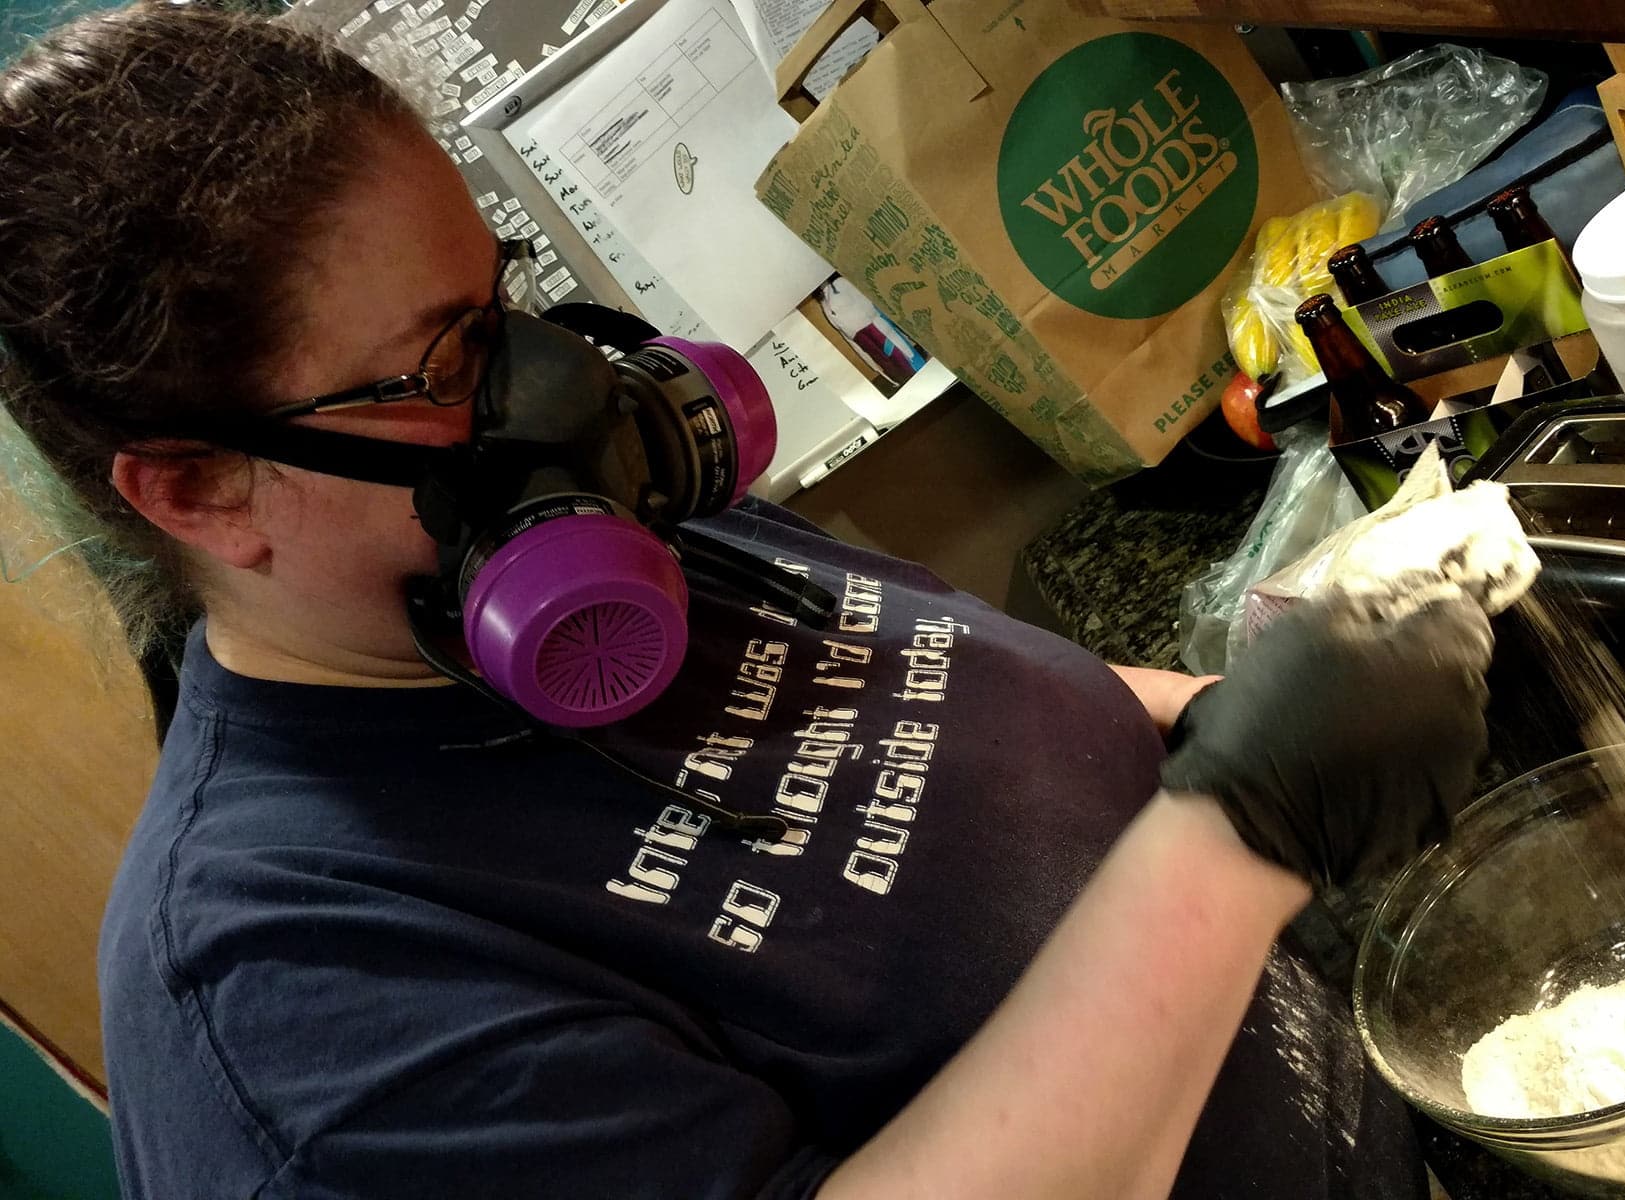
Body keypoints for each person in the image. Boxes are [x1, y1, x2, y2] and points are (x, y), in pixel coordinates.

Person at [0, 7, 1494, 1198]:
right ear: (198, 491)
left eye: (498, 297)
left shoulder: (611, 549)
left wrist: (1259, 713)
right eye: (447, 366)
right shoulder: (294, 996)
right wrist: (1243, 830)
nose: (561, 391)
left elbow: (957, 712)